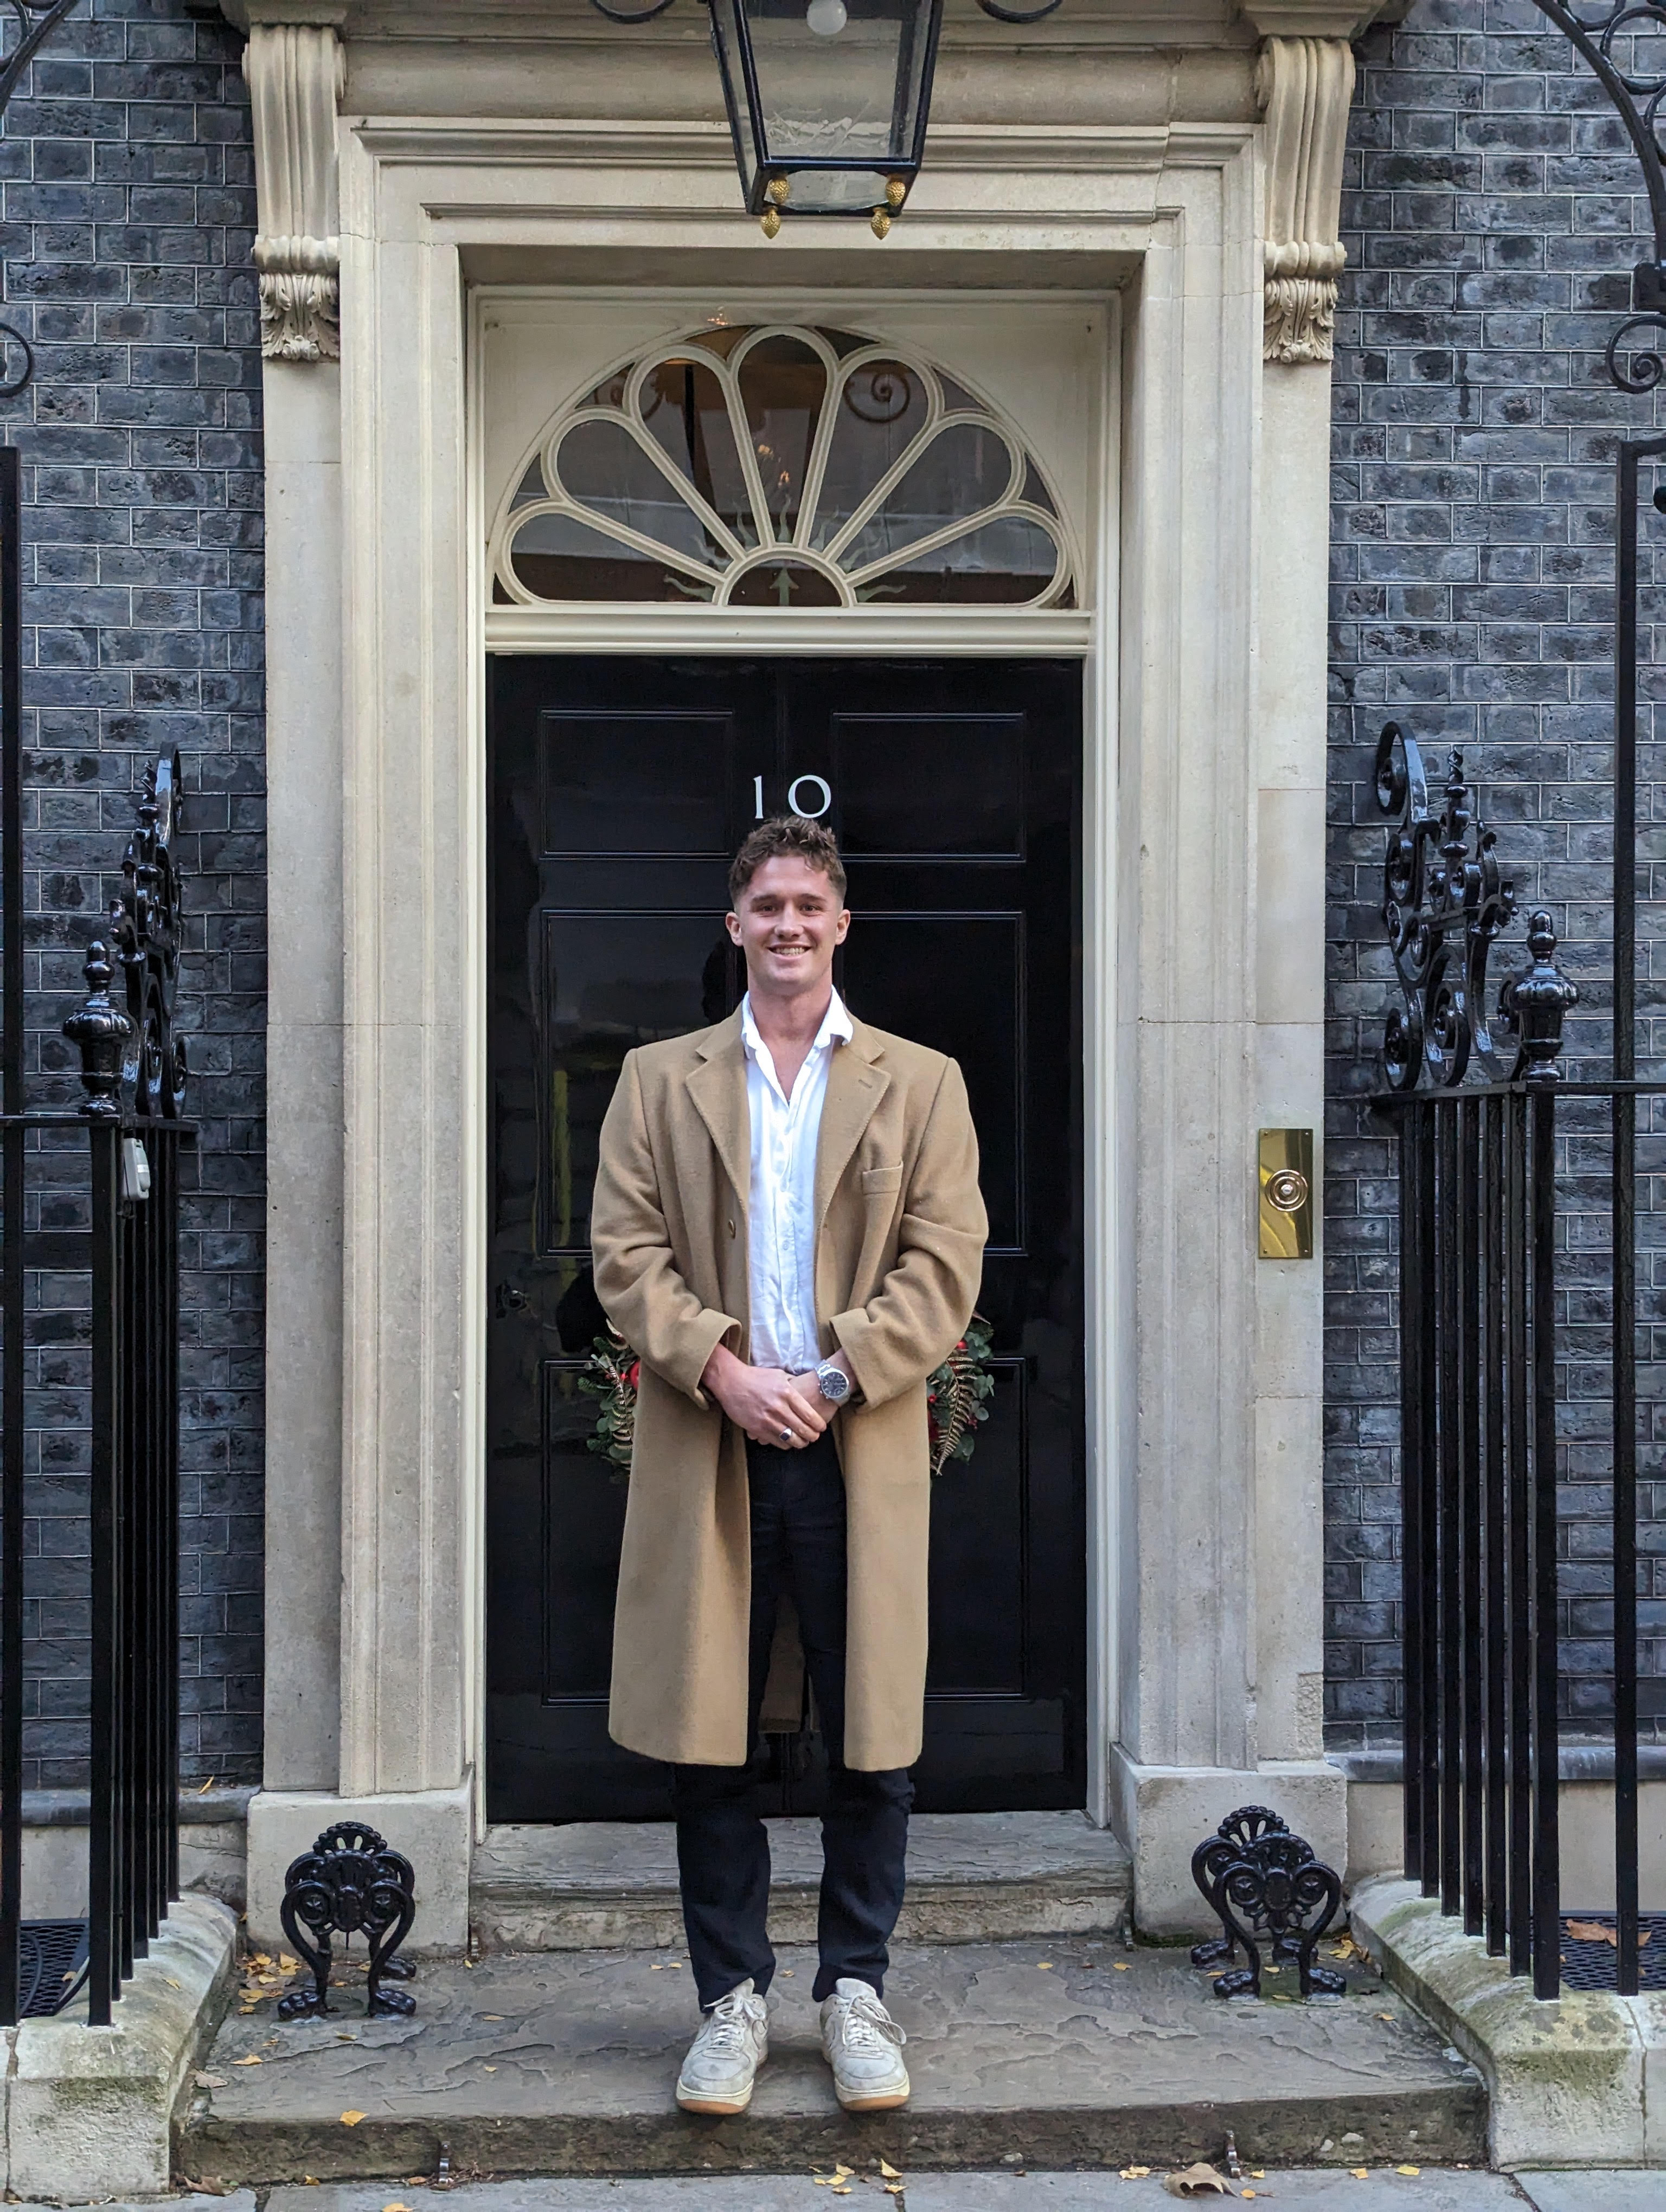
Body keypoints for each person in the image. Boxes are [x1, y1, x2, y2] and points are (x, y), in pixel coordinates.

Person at [591, 814, 988, 2119]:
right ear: (735, 925)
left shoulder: (920, 1081)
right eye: (766, 906)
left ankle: (855, 1990)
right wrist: (722, 1368)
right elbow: (624, 1255)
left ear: (840, 923)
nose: (788, 926)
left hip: (852, 1444)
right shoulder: (660, 1078)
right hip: (713, 1443)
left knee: (869, 1733)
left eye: (809, 905)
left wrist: (824, 1378)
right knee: (708, 1740)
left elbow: (944, 1267)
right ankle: (732, 1999)